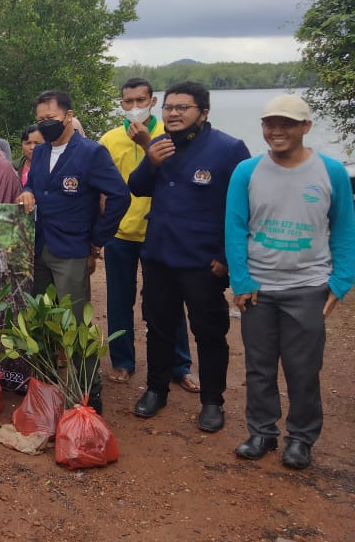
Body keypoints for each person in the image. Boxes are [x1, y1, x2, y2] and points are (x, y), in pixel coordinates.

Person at [225, 94, 355, 469]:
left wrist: (341, 281)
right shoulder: (247, 172)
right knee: (259, 366)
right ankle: (262, 431)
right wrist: (241, 279)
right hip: (259, 288)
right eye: (270, 124)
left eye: (287, 124)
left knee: (303, 368)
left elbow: (344, 229)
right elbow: (235, 227)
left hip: (309, 286)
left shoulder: (331, 172)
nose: (277, 131)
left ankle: (300, 438)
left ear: (305, 127)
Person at [129, 81, 250, 433]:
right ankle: (156, 389)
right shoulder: (159, 145)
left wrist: (226, 256)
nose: (173, 113)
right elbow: (137, 187)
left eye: (183, 107)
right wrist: (150, 161)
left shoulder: (229, 149)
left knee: (209, 332)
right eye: (169, 107)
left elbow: (244, 208)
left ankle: (212, 401)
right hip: (159, 256)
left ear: (204, 113)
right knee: (158, 328)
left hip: (203, 262)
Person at [18, 91, 131, 415]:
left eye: (51, 118)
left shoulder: (91, 153)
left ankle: (86, 394)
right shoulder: (40, 152)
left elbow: (119, 196)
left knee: (75, 326)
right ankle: (44, 390)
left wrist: (97, 239)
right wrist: (27, 192)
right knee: (40, 321)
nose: (45, 124)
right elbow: (33, 185)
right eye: (40, 119)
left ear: (68, 116)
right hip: (39, 248)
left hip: (71, 250)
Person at [98, 78, 197, 390]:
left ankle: (180, 365)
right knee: (118, 301)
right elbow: (101, 188)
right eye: (128, 101)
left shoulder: (170, 134)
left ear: (153, 102)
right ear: (121, 104)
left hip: (161, 233)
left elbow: (183, 178)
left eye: (141, 100)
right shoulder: (109, 139)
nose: (135, 107)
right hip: (120, 233)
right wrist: (99, 231)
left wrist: (147, 142)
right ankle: (122, 361)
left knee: (169, 302)